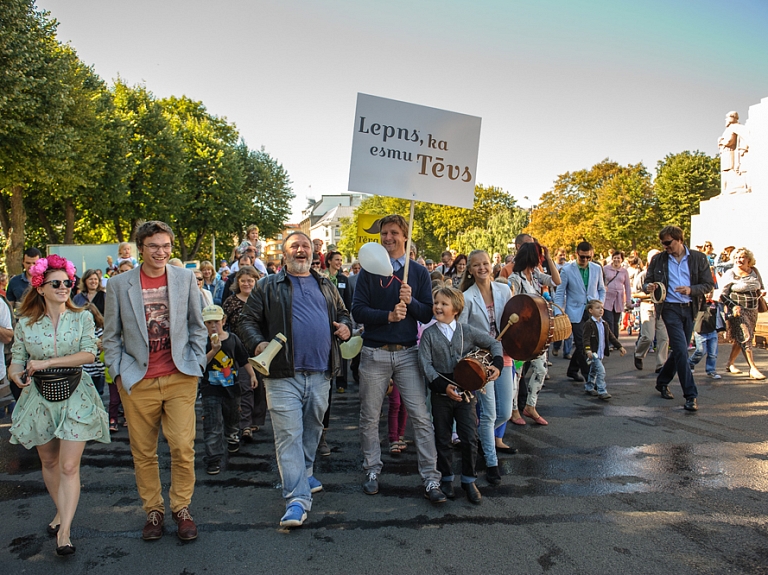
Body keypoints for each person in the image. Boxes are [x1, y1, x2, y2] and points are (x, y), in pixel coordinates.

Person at [238, 231, 352, 527]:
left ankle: (307, 469)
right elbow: (246, 321)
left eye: (305, 246)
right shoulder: (266, 285)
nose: (301, 250)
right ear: (284, 254)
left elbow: (344, 313)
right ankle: (297, 499)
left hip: (321, 373)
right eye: (294, 246)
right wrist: (257, 344)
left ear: (313, 253)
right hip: (281, 375)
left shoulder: (325, 283)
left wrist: (346, 328)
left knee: (313, 427)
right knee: (289, 435)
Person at [103, 220, 207, 541]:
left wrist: (196, 362)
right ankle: (154, 510)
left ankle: (181, 508)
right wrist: (119, 373)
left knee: (182, 447)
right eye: (153, 246)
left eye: (165, 246)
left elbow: (197, 325)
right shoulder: (120, 285)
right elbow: (111, 336)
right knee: (144, 452)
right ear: (140, 248)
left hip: (179, 377)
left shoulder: (185, 278)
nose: (160, 252)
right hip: (138, 380)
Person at [7, 254, 109, 556]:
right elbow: (18, 358)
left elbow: (89, 354)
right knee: (49, 462)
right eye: (56, 283)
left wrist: (48, 362)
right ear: (40, 287)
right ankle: (60, 511)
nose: (64, 287)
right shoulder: (25, 322)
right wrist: (16, 374)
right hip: (39, 397)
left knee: (68, 465)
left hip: (76, 394)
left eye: (67, 282)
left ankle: (64, 531)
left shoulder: (82, 316)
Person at [352, 214, 445, 503]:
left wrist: (411, 300)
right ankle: (371, 470)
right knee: (369, 417)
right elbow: (358, 311)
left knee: (420, 417)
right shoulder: (368, 271)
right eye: (384, 233)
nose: (388, 238)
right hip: (374, 353)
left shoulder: (417, 272)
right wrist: (388, 316)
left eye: (393, 232)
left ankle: (431, 478)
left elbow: (428, 313)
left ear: (405, 236)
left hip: (407, 353)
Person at [420, 286, 504, 503]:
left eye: (444, 304)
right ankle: (446, 478)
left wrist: (497, 365)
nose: (438, 307)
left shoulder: (467, 331)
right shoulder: (429, 335)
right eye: (436, 302)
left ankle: (468, 479)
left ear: (455, 309)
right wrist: (441, 386)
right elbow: (426, 364)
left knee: (469, 438)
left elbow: (494, 343)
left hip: (466, 394)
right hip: (441, 395)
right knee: (443, 438)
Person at [458, 249, 515, 483]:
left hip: (504, 357)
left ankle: (483, 437)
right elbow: (462, 332)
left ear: (491, 265)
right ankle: (492, 462)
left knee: (505, 412)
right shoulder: (467, 296)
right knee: (490, 412)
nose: (482, 268)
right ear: (470, 270)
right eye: (476, 265)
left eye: (486, 263)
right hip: (481, 361)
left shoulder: (504, 290)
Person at [643, 225, 714, 411]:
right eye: (662, 243)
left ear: (679, 240)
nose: (665, 247)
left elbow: (708, 284)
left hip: (690, 308)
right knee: (682, 350)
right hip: (669, 308)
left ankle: (662, 381)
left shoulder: (698, 258)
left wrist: (691, 290)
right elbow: (647, 281)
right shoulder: (659, 259)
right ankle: (691, 395)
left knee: (679, 351)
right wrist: (649, 287)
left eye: (668, 243)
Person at [200, 305, 257, 475]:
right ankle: (213, 458)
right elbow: (199, 364)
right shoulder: (202, 341)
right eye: (208, 322)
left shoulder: (232, 339)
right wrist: (213, 350)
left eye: (216, 322)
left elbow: (243, 358)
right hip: (211, 389)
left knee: (232, 417)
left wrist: (252, 375)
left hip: (232, 388)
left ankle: (232, 436)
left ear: (223, 321)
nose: (213, 326)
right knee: (212, 424)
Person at [508, 242, 561, 425]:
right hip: (522, 337)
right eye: (538, 256)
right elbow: (512, 303)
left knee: (541, 369)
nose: (540, 260)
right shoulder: (515, 278)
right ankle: (514, 410)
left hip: (537, 334)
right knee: (517, 373)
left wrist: (549, 258)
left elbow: (556, 281)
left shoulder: (536, 276)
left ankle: (530, 406)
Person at [222, 265, 265, 441]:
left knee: (261, 387)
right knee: (246, 386)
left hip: (261, 348)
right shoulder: (230, 302)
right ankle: (245, 424)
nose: (246, 284)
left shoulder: (262, 299)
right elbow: (223, 324)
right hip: (239, 350)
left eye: (250, 280)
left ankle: (256, 420)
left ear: (256, 281)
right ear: (237, 282)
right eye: (243, 281)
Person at [554, 241, 606, 383]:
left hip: (592, 311)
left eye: (588, 257)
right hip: (575, 311)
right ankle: (591, 378)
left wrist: (600, 305)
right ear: (576, 254)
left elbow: (601, 289)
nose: (585, 260)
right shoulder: (567, 269)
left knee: (588, 343)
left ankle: (572, 370)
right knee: (583, 344)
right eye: (582, 257)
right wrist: (558, 312)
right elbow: (560, 292)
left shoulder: (596, 269)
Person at [719, 247, 765, 380]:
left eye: (742, 257)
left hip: (753, 309)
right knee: (746, 336)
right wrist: (733, 306)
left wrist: (761, 291)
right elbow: (723, 294)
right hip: (738, 310)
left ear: (748, 259)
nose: (739, 260)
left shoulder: (754, 271)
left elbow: (760, 286)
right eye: (737, 257)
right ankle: (753, 368)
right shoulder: (731, 273)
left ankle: (730, 364)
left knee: (741, 339)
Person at [633, 250, 669, 373]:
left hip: (661, 307)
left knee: (664, 337)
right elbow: (635, 293)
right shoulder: (643, 275)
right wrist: (648, 294)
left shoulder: (665, 273)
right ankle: (638, 354)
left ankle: (661, 364)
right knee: (648, 337)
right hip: (647, 306)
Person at [582, 300, 626, 400]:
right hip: (593, 354)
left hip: (600, 353)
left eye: (602, 308)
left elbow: (611, 336)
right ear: (590, 310)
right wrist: (588, 350)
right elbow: (586, 339)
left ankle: (589, 387)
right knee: (601, 371)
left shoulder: (604, 324)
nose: (601, 310)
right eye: (597, 308)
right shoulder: (589, 324)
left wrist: (619, 346)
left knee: (593, 371)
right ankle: (602, 391)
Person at [602, 251, 632, 344]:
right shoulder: (605, 269)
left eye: (618, 258)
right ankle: (609, 342)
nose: (616, 260)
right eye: (615, 257)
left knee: (616, 322)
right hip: (607, 299)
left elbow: (627, 286)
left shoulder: (624, 271)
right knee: (608, 320)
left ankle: (615, 341)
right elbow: (600, 281)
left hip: (618, 299)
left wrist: (628, 300)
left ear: (622, 259)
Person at [689, 297, 721, 380]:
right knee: (701, 351)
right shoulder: (697, 302)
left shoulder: (715, 303)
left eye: (711, 292)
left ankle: (711, 370)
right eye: (707, 292)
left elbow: (720, 315)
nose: (709, 294)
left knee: (713, 353)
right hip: (700, 331)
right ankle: (690, 362)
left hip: (712, 331)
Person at [718, 110, 750, 194]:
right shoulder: (729, 128)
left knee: (729, 170)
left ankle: (730, 188)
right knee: (725, 171)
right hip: (724, 153)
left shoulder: (734, 127)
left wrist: (721, 141)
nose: (726, 119)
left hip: (730, 152)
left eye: (727, 117)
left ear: (732, 118)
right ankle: (724, 191)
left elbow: (730, 141)